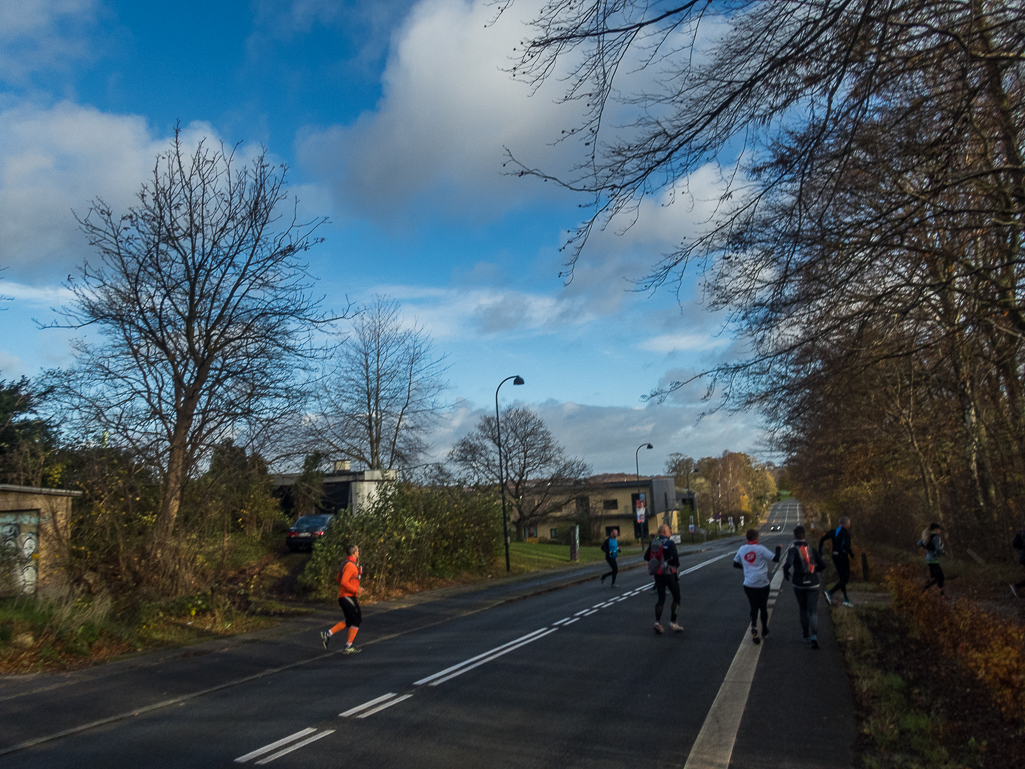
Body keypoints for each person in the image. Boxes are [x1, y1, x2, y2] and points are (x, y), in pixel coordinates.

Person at [733, 529, 782, 644]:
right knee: (763, 607)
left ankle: (754, 626)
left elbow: (735, 563)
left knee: (753, 606)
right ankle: (764, 629)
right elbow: (775, 559)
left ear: (747, 538)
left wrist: (746, 568)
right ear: (757, 538)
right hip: (762, 583)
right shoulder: (761, 549)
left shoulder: (742, 549)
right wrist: (778, 549)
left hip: (749, 584)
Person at [783, 525, 826, 649]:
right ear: (805, 536)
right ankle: (815, 636)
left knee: (803, 609)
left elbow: (788, 564)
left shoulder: (793, 550)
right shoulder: (812, 549)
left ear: (795, 536)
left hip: (799, 583)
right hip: (813, 583)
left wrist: (787, 573)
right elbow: (823, 565)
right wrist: (814, 570)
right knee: (813, 610)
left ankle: (806, 635)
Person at [321, 544, 363, 654]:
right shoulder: (350, 566)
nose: (358, 552)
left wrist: (356, 575)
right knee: (357, 619)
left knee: (350, 620)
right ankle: (348, 646)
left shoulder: (347, 564)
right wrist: (356, 589)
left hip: (346, 596)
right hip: (347, 596)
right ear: (354, 553)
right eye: (357, 551)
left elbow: (338, 578)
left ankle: (328, 634)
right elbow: (344, 581)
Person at [644, 524, 682, 634]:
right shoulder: (670, 543)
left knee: (661, 598)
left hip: (658, 574)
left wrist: (657, 563)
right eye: (669, 532)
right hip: (669, 574)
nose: (670, 534)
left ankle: (657, 622)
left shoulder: (654, 542)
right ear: (665, 532)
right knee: (677, 598)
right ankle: (673, 621)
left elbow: (647, 557)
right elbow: (676, 560)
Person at [819, 516, 854, 607]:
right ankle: (829, 592)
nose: (849, 524)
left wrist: (820, 551)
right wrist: (851, 554)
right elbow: (846, 547)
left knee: (842, 578)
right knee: (845, 579)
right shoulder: (845, 533)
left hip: (835, 557)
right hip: (843, 558)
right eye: (849, 522)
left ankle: (846, 599)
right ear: (845, 523)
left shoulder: (833, 532)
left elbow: (822, 539)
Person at [918, 523, 946, 596]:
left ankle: (925, 589)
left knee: (935, 577)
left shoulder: (927, 536)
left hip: (928, 559)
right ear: (935, 529)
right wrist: (943, 552)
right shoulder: (936, 537)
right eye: (939, 529)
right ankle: (940, 594)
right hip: (934, 559)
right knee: (941, 577)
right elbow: (938, 549)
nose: (939, 531)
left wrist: (927, 547)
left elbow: (919, 543)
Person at [1012, 526, 1025, 599]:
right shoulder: (1023, 534)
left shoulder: (1020, 533)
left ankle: (1016, 586)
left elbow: (1014, 544)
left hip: (1022, 557)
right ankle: (1016, 586)